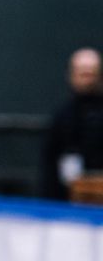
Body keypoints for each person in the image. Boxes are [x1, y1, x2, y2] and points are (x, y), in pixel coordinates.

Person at [40, 47, 103, 200]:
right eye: (82, 74)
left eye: (91, 74)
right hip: (66, 200)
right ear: (72, 75)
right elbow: (50, 164)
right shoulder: (62, 117)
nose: (87, 80)